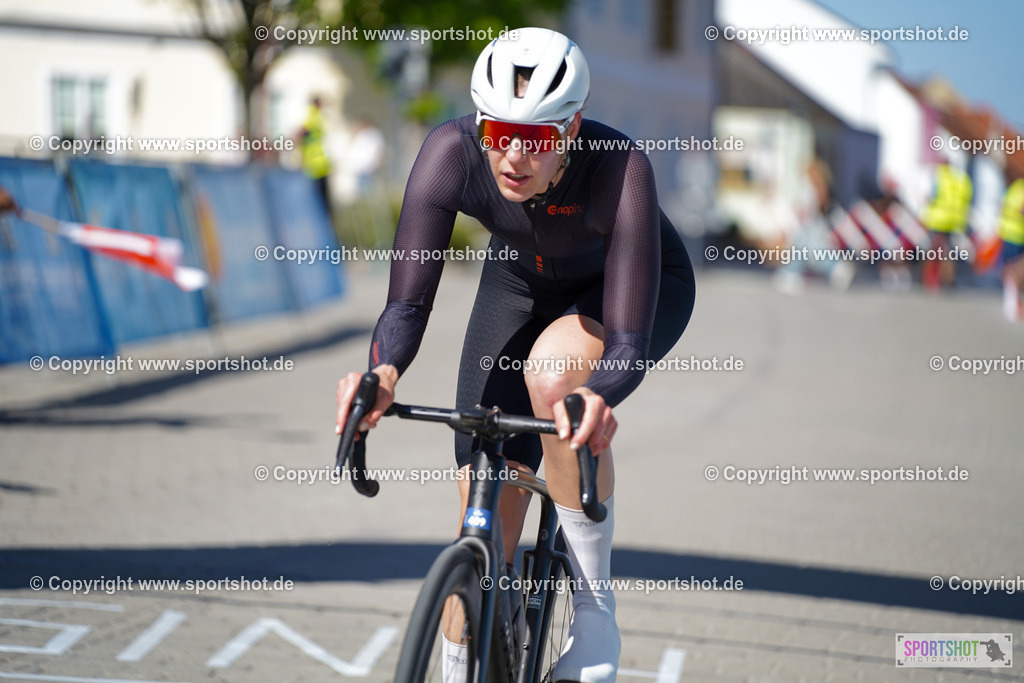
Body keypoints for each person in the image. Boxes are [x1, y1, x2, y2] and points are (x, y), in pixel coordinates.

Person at [335, 27, 695, 683]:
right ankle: (457, 660)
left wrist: (601, 394)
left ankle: (594, 616)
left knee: (554, 377)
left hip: (626, 286)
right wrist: (382, 372)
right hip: (519, 282)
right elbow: (407, 305)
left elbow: (626, 342)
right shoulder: (452, 152)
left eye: (537, 138)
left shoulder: (619, 167)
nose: (513, 156)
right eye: (500, 133)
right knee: (482, 508)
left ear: (572, 129)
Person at [920, 159, 972, 290]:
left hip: (938, 220)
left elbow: (932, 196)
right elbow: (967, 200)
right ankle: (949, 280)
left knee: (934, 252)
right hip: (955, 222)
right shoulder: (961, 180)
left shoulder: (940, 177)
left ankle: (932, 283)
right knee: (949, 253)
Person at [298, 96, 334, 222]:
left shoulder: (313, 116)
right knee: (322, 201)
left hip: (315, 165)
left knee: (317, 199)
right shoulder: (316, 117)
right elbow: (301, 134)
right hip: (318, 164)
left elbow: (300, 134)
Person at [997, 176, 1024, 321]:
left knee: (1010, 268)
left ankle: (1011, 302)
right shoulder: (1020, 188)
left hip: (1009, 232)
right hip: (1017, 234)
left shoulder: (1015, 187)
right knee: (1013, 269)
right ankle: (1012, 303)